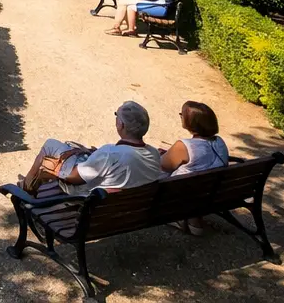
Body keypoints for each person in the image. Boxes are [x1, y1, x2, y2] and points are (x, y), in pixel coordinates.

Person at [19, 101, 161, 196]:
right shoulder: (154, 154)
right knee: (76, 150)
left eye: (116, 116)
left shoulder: (110, 153)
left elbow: (73, 178)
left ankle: (27, 189)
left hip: (88, 197)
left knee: (51, 145)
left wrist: (56, 169)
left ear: (121, 125)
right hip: (130, 209)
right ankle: (29, 182)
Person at [160, 100, 230, 234]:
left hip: (182, 195)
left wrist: (163, 155)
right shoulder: (220, 142)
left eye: (182, 115)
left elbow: (164, 166)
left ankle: (178, 216)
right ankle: (194, 220)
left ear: (191, 122)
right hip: (210, 193)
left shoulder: (185, 146)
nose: (180, 116)